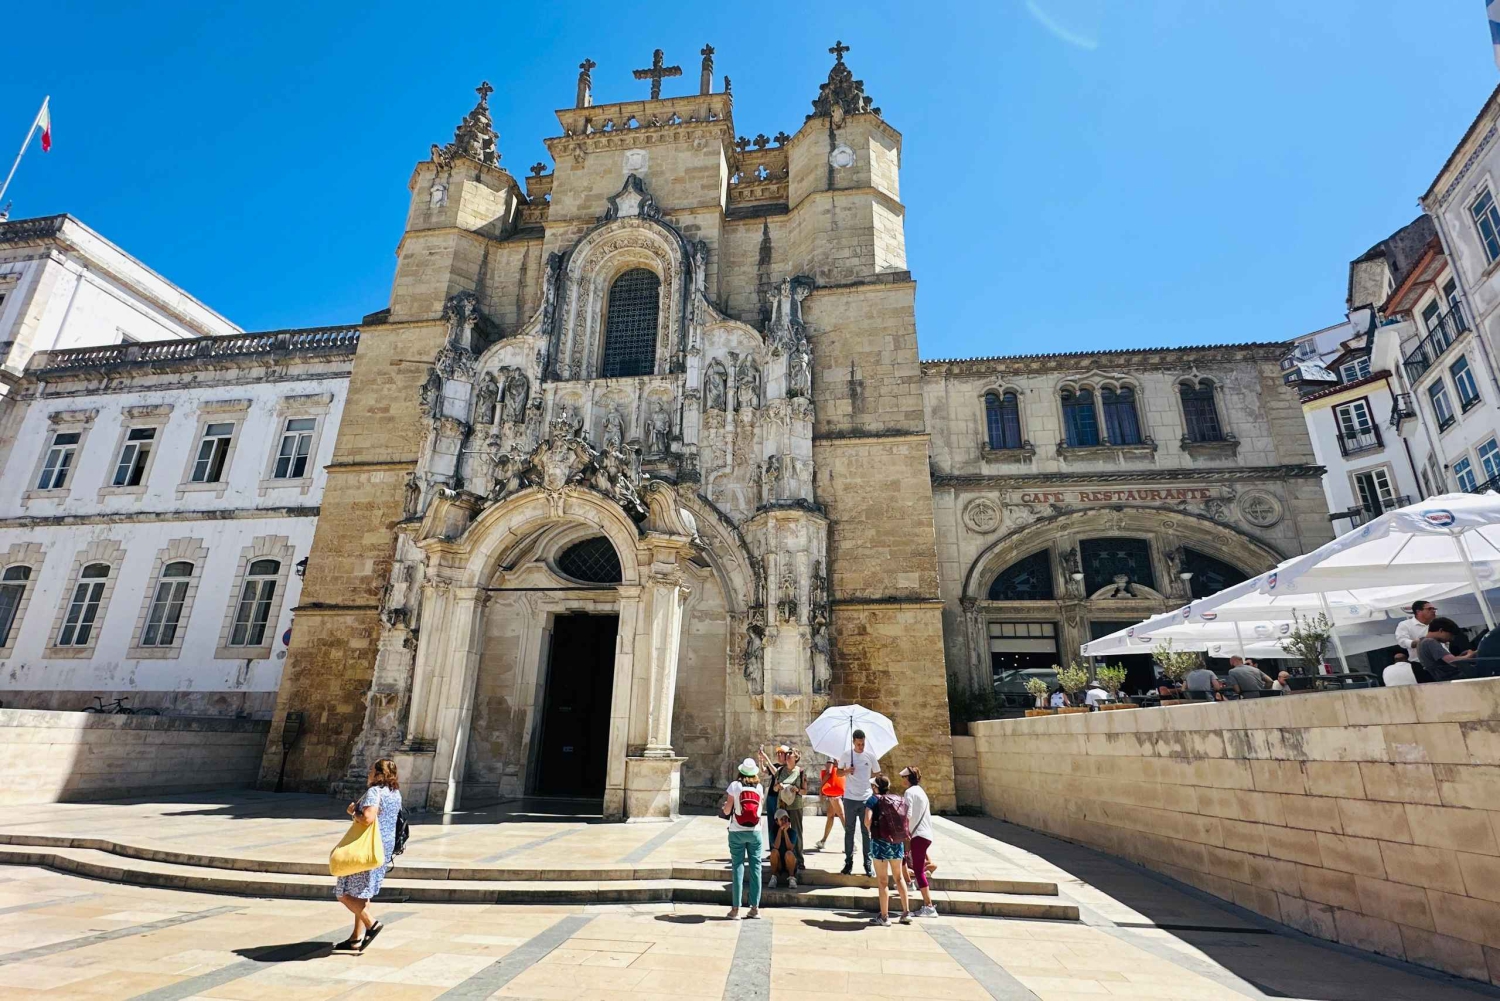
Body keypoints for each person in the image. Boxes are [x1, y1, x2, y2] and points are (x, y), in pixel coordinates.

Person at [334, 758, 402, 953]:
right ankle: (356, 938)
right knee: (363, 893)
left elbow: (368, 818)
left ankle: (372, 924)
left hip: (367, 848)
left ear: (380, 774)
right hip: (382, 848)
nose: (369, 773)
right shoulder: (395, 793)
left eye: (372, 770)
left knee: (343, 893)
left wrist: (353, 812)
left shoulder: (375, 792)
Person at [863, 775, 912, 926]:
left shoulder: (873, 800)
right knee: (899, 877)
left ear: (875, 787)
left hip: (879, 842)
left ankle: (884, 917)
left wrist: (870, 830)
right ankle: (906, 913)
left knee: (883, 880)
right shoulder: (897, 799)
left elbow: (867, 820)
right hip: (896, 841)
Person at [724, 757, 763, 919]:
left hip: (736, 831)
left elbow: (727, 811)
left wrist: (725, 808)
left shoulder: (735, 786)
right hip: (755, 831)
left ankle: (735, 909)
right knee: (756, 868)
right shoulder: (759, 787)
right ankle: (755, 908)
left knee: (738, 867)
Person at [839, 729, 881, 877]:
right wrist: (847, 771)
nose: (861, 747)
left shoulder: (870, 756)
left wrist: (874, 787)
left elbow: (877, 772)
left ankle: (867, 864)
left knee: (866, 831)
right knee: (849, 830)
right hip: (850, 798)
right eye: (858, 744)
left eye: (862, 744)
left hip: (866, 798)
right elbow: (838, 772)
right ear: (853, 742)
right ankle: (848, 862)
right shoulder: (846, 755)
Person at [900, 766, 938, 917]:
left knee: (918, 871)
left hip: (918, 835)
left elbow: (907, 814)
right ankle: (926, 903)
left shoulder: (909, 792)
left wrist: (902, 830)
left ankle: (929, 906)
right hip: (925, 834)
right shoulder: (921, 791)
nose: (902, 780)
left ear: (908, 778)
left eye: (903, 777)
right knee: (917, 867)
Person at [1417, 618, 1479, 682]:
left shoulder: (1421, 643)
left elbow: (1446, 660)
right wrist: (1469, 655)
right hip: (1453, 678)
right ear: (1441, 630)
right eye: (1451, 635)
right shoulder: (1430, 642)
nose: (1451, 639)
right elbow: (1453, 661)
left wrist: (1461, 656)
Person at [776, 748, 807, 870]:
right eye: (787, 753)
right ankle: (782, 859)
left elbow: (805, 791)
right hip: (782, 805)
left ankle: (799, 859)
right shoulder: (780, 771)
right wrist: (778, 786)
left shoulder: (801, 772)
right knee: (781, 831)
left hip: (795, 806)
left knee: (796, 832)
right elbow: (774, 788)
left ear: (796, 757)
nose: (787, 755)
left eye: (790, 753)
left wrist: (797, 790)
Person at [758, 745, 788, 854]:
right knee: (771, 823)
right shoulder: (775, 765)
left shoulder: (787, 768)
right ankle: (773, 850)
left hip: (780, 799)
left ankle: (781, 849)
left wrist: (766, 758)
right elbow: (764, 770)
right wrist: (761, 760)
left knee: (779, 823)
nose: (779, 755)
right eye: (778, 753)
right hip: (771, 796)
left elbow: (777, 773)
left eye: (781, 753)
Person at [815, 756, 845, 851]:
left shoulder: (831, 757)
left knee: (841, 816)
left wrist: (821, 788)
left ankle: (851, 842)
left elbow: (828, 773)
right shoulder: (842, 757)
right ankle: (823, 841)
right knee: (830, 815)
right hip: (837, 789)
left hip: (833, 791)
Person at [768, 809, 800, 888]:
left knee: (789, 853)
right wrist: (780, 831)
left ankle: (792, 878)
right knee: (774, 852)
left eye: (785, 819)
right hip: (779, 862)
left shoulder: (792, 832)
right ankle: (773, 877)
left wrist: (785, 832)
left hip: (789, 862)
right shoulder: (773, 832)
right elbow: (776, 846)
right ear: (777, 821)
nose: (784, 821)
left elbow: (790, 848)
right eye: (781, 819)